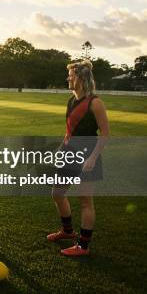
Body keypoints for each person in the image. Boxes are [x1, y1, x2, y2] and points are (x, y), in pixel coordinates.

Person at [47, 60, 110, 256]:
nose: (68, 78)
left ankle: (83, 246)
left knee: (85, 201)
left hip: (86, 156)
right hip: (68, 152)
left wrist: (92, 158)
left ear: (81, 79)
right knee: (57, 193)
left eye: (71, 76)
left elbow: (106, 133)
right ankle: (67, 231)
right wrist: (60, 149)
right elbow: (70, 131)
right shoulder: (71, 100)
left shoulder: (95, 103)